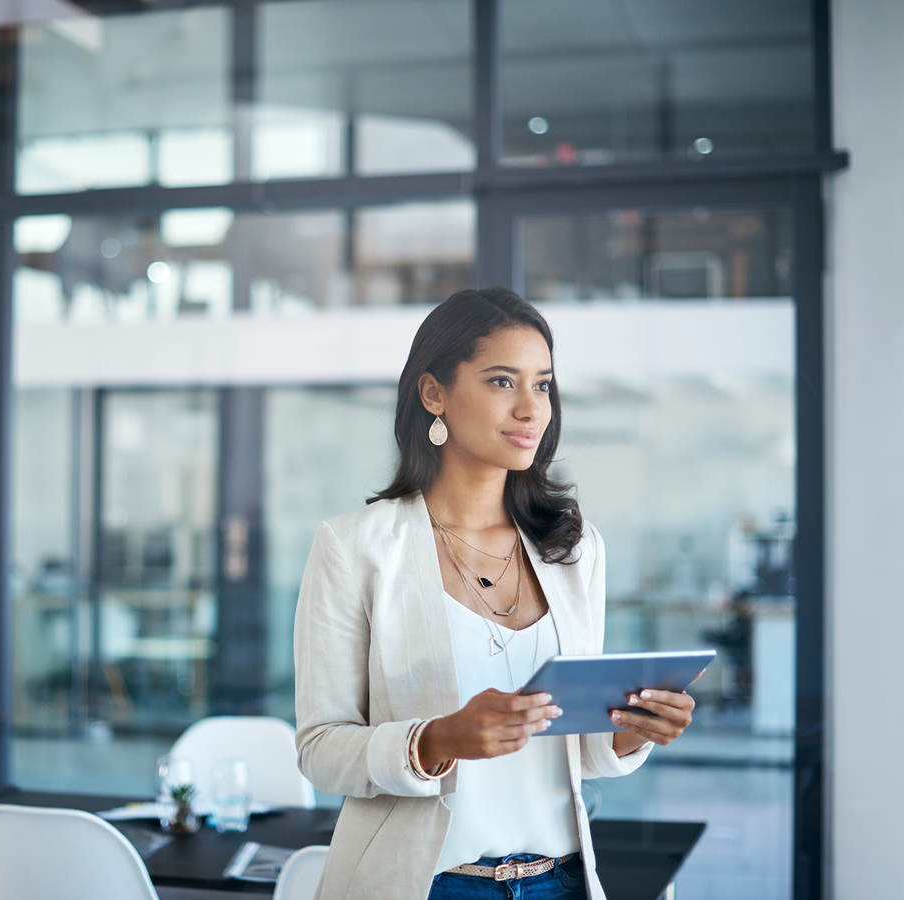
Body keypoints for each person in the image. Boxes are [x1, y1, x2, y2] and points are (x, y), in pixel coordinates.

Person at [292, 287, 696, 899]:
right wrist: (435, 740)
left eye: (544, 384)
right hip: (427, 885)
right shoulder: (356, 548)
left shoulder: (574, 549)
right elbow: (321, 749)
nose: (532, 408)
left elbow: (582, 752)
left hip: (557, 882)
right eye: (503, 382)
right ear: (434, 394)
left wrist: (637, 726)